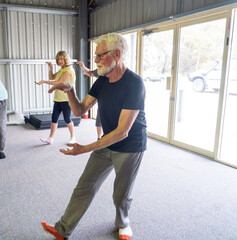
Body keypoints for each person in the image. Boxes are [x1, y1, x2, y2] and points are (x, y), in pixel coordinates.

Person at [41, 33, 147, 240]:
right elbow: (80, 110)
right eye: (95, 56)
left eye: (100, 56)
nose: (96, 61)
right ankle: (63, 229)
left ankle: (123, 224)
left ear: (117, 54)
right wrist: (70, 91)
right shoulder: (102, 80)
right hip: (107, 141)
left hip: (130, 146)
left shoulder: (134, 84)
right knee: (85, 186)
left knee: (121, 193)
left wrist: (85, 148)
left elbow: (123, 131)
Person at [35, 51, 76, 145]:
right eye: (58, 59)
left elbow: (59, 82)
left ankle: (73, 137)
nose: (60, 60)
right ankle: (51, 138)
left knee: (67, 119)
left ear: (66, 59)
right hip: (58, 98)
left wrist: (44, 82)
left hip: (67, 99)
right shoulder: (62, 69)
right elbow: (52, 77)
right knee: (54, 118)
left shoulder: (68, 70)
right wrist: (51, 67)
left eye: (61, 58)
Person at [76, 61, 103, 140]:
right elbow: (90, 73)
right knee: (99, 120)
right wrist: (83, 66)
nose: (96, 61)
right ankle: (99, 139)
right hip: (102, 99)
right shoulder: (101, 70)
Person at [0, 80, 8, 159]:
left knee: (1, 125)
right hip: (3, 97)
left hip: (2, 98)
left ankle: (0, 150)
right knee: (1, 124)